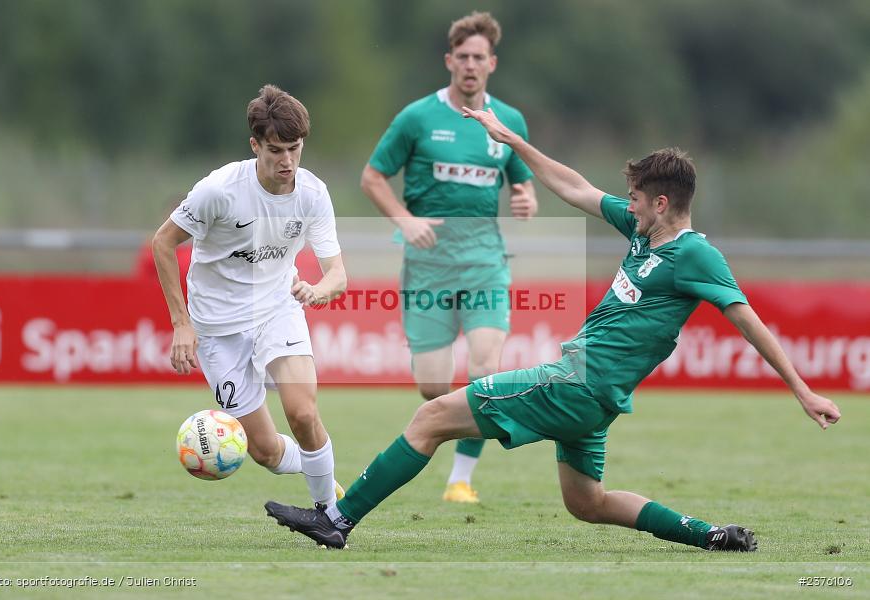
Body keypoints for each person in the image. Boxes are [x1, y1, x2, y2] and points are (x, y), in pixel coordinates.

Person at [264, 108, 842, 551]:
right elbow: (574, 187)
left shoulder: (695, 256)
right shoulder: (644, 233)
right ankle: (710, 535)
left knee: (430, 418)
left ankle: (337, 519)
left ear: (662, 203)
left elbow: (748, 321)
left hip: (578, 382)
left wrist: (802, 390)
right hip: (596, 397)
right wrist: (512, 142)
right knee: (587, 503)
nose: (628, 207)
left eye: (636, 200)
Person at [360, 11, 538, 503]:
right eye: (463, 57)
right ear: (449, 61)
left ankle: (460, 479)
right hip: (428, 267)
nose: (470, 65)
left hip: (485, 263)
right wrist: (405, 220)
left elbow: (523, 181)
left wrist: (526, 198)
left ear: (492, 63)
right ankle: (451, 434)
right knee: (432, 386)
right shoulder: (417, 117)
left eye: (479, 57)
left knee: (485, 371)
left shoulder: (508, 121)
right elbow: (372, 177)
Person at [152, 84, 347, 508]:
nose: (287, 161)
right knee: (264, 451)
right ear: (255, 146)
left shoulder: (313, 194)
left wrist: (317, 290)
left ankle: (330, 515)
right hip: (217, 328)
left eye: (295, 148)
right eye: (276, 150)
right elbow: (163, 243)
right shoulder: (219, 191)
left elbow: (337, 274)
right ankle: (321, 472)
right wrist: (181, 323)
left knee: (303, 413)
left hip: (278, 309)